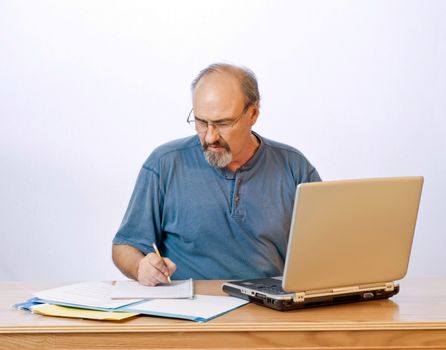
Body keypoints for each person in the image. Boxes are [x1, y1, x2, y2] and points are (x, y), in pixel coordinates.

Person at [112, 63, 321, 286]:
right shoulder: (165, 163)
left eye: (223, 123)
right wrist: (140, 267)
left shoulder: (294, 167)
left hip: (268, 308)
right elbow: (124, 246)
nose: (210, 137)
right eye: (202, 122)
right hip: (187, 309)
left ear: (253, 113)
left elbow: (327, 247)